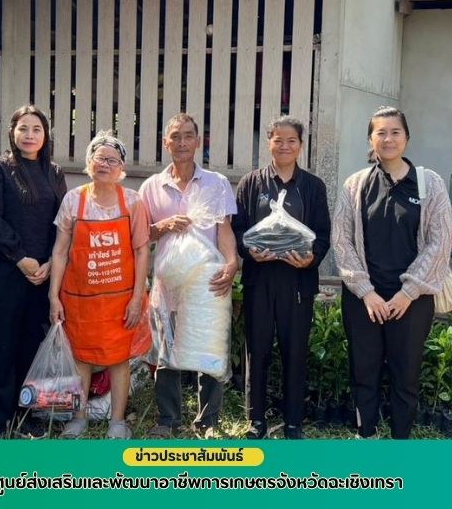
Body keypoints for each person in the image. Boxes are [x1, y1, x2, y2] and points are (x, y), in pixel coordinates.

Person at [332, 106, 452, 439]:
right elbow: (341, 240)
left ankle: (400, 441)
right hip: (363, 300)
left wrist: (407, 292)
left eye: (395, 132)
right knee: (363, 371)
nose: (388, 139)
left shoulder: (430, 185)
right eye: (380, 132)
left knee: (405, 375)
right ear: (370, 140)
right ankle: (366, 434)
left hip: (412, 301)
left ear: (407, 137)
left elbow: (439, 242)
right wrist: (366, 291)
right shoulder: (355, 186)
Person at [138, 113, 238, 439]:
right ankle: (168, 420)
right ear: (165, 143)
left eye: (188, 136)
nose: (182, 142)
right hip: (168, 282)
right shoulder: (151, 187)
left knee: (209, 348)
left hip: (207, 280)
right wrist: (164, 226)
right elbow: (141, 235)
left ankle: (208, 421)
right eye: (175, 136)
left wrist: (231, 263)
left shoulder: (216, 183)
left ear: (198, 141)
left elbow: (224, 229)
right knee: (166, 352)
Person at [232, 116, 331, 440]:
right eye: (278, 140)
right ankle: (256, 419)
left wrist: (311, 258)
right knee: (257, 350)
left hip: (297, 282)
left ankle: (293, 422)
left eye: (291, 141)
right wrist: (249, 251)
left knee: (295, 350)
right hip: (260, 280)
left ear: (301, 145)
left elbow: (323, 234)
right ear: (269, 143)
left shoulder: (313, 186)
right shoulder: (251, 183)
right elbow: (238, 228)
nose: (284, 146)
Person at [48, 131, 151, 440]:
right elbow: (60, 252)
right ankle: (78, 418)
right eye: (99, 157)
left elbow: (142, 251)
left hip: (120, 301)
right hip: (79, 299)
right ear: (88, 162)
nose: (105, 164)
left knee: (119, 358)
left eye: (112, 160)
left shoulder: (132, 202)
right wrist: (54, 296)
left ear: (122, 168)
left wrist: (137, 298)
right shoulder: (73, 200)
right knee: (81, 357)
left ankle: (117, 422)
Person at [0, 105, 66, 439]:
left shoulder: (54, 172)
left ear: (46, 135)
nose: (30, 135)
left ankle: (25, 415)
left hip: (41, 275)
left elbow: (61, 220)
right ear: (12, 133)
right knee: (1, 347)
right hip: (5, 273)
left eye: (36, 129)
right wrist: (20, 258)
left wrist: (50, 262)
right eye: (23, 128)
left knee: (31, 345)